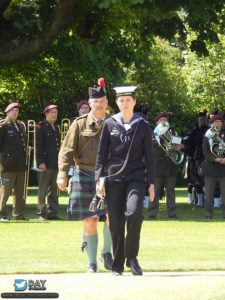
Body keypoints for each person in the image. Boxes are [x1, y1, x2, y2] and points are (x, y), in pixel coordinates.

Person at [95, 86, 155, 276]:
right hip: (114, 178)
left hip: (136, 177)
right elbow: (101, 154)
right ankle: (118, 265)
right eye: (122, 101)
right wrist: (98, 178)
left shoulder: (143, 125)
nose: (125, 103)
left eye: (129, 100)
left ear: (134, 102)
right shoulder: (109, 123)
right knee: (116, 222)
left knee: (135, 213)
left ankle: (132, 257)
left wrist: (151, 184)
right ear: (117, 103)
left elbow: (150, 157)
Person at [57, 78, 113, 273]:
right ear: (90, 103)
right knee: (90, 219)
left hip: (108, 174)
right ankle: (92, 263)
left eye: (103, 101)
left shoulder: (114, 123)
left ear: (107, 102)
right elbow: (66, 150)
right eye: (96, 102)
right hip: (84, 172)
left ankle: (107, 253)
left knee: (112, 216)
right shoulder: (79, 124)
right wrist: (62, 174)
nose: (99, 104)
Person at [148, 112, 183, 219]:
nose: (164, 122)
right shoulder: (152, 133)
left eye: (165, 120)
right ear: (157, 122)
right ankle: (152, 213)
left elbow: (179, 144)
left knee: (170, 190)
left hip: (170, 165)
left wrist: (179, 147)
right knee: (155, 190)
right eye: (161, 120)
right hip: (157, 165)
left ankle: (172, 213)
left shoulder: (172, 133)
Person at [0, 102, 27, 221]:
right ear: (7, 112)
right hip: (7, 165)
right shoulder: (3, 126)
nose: (15, 112)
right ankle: (1, 215)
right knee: (5, 192)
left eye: (16, 110)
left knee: (19, 192)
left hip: (20, 164)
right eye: (12, 110)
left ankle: (18, 215)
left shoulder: (19, 126)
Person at [36, 104, 61, 220]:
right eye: (51, 112)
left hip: (55, 163)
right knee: (43, 189)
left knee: (53, 190)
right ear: (46, 114)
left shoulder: (56, 127)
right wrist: (40, 162)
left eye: (55, 112)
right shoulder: (40, 126)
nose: (53, 114)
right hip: (45, 163)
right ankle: (41, 213)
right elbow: (38, 146)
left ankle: (52, 213)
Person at [183, 110, 209, 206]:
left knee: (207, 179)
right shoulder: (193, 131)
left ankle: (209, 200)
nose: (202, 121)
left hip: (207, 158)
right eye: (201, 119)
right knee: (197, 180)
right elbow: (186, 143)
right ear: (198, 120)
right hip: (196, 159)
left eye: (204, 119)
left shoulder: (209, 130)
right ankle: (199, 201)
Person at [202, 114, 225, 219]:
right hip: (211, 166)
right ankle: (208, 214)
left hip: (224, 167)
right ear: (211, 124)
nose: (218, 124)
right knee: (209, 193)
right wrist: (215, 159)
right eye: (215, 122)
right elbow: (205, 151)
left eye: (220, 122)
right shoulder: (207, 134)